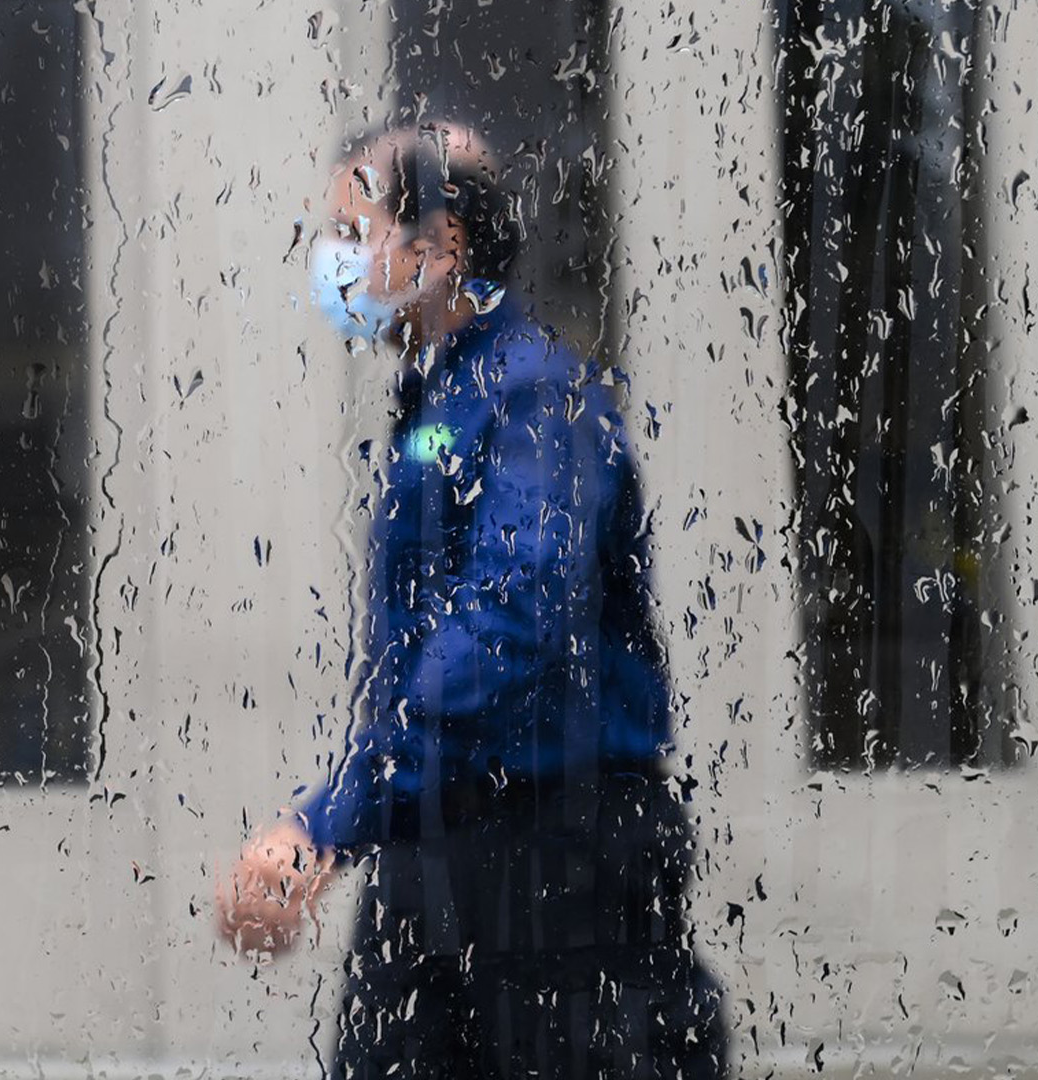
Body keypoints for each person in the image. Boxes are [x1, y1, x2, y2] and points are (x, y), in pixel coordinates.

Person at [215, 123, 731, 1080]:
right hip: (443, 841)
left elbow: (510, 623)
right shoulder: (438, 401)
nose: (332, 257)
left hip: (556, 862)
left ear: (440, 247)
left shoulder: (537, 399)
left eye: (351, 226)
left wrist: (326, 822)